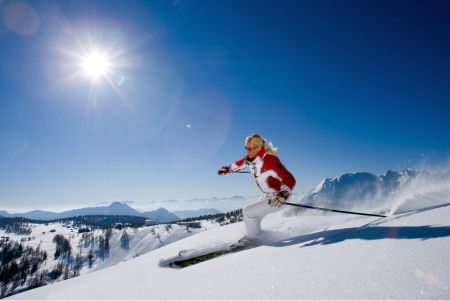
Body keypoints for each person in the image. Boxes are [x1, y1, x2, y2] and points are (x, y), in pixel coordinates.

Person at [217, 133, 296, 246]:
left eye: (250, 148)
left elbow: (289, 178)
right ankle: (257, 236)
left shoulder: (270, 160)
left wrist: (283, 194)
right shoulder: (251, 159)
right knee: (254, 217)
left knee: (248, 212)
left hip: (279, 199)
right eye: (246, 148)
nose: (247, 151)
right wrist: (228, 169)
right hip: (268, 196)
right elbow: (240, 163)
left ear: (259, 148)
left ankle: (252, 240)